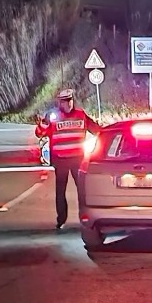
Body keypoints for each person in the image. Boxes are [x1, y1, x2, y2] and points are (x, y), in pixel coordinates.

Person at [35, 89, 102, 230]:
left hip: (78, 159)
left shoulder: (80, 115)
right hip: (61, 160)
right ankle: (61, 219)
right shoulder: (52, 116)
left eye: (70, 100)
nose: (68, 104)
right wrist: (44, 122)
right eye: (65, 101)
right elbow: (39, 133)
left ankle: (86, 219)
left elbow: (96, 130)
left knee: (83, 191)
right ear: (59, 103)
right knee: (61, 191)